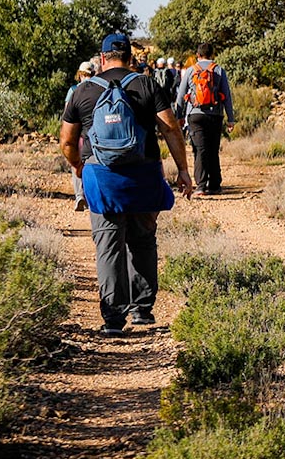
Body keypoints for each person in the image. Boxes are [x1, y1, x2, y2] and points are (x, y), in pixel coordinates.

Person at [60, 32, 194, 335]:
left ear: (102, 58)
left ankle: (112, 318)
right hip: (144, 175)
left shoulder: (83, 90)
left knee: (108, 245)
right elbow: (171, 129)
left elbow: (67, 140)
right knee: (143, 241)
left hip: (102, 178)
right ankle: (142, 311)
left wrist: (79, 167)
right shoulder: (147, 84)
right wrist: (183, 170)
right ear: (130, 57)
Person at [175, 43, 234, 195]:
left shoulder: (190, 70)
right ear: (212, 54)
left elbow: (180, 96)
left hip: (195, 115)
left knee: (200, 150)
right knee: (213, 149)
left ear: (198, 55)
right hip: (215, 115)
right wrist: (231, 118)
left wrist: (179, 116)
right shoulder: (219, 70)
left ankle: (200, 186)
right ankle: (215, 185)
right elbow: (227, 96)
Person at [67, 59, 97, 212]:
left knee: (77, 164)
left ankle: (80, 195)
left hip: (78, 134)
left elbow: (67, 115)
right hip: (95, 134)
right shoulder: (100, 88)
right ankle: (92, 196)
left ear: (80, 75)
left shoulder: (73, 90)